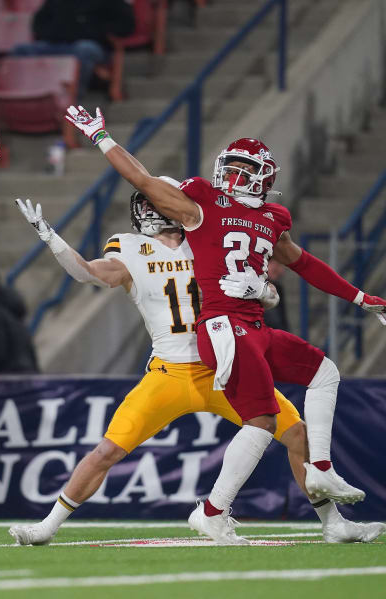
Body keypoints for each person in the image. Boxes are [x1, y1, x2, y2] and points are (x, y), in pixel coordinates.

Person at [65, 105, 386, 544]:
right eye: (229, 168)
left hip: (253, 327)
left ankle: (324, 477)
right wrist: (102, 137)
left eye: (244, 170)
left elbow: (306, 264)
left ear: (264, 178)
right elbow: (142, 180)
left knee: (322, 374)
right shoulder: (203, 204)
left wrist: (361, 297)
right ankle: (214, 512)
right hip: (219, 327)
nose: (233, 177)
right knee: (262, 421)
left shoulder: (274, 220)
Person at [11, 0, 134, 102]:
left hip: (92, 46)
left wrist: (99, 32)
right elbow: (38, 23)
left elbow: (126, 25)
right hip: (55, 44)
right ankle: (27, 99)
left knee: (85, 49)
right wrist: (52, 33)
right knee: (21, 50)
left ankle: (70, 102)